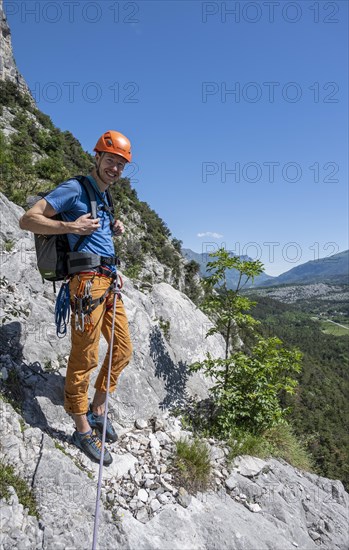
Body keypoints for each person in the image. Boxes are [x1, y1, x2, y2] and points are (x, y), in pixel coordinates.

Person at [19, 130, 133, 466]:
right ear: (97, 158)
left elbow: (95, 232)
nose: (115, 168)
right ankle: (81, 427)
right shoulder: (74, 188)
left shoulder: (104, 195)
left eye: (121, 164)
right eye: (111, 160)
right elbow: (28, 219)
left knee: (122, 349)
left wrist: (112, 229)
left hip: (107, 280)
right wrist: (71, 228)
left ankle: (98, 408)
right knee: (84, 356)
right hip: (85, 283)